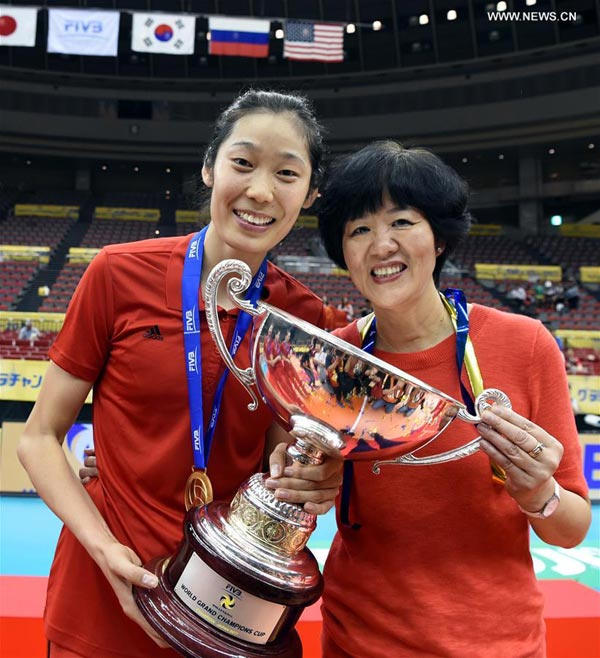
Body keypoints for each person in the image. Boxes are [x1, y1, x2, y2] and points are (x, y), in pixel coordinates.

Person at [17, 90, 343, 658]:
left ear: (310, 193)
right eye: (242, 163)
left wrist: (313, 478)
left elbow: (279, 458)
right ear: (209, 168)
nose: (260, 190)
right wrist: (103, 550)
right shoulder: (118, 274)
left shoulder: (305, 320)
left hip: (230, 607)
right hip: (100, 596)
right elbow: (39, 437)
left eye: (286, 173)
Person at [317, 141, 591, 658]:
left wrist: (538, 494)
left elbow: (571, 528)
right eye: (359, 230)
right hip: (359, 643)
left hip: (499, 644)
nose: (381, 245)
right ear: (343, 254)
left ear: (438, 238)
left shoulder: (526, 344)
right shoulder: (333, 361)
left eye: (402, 221)